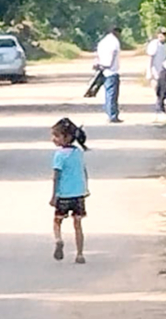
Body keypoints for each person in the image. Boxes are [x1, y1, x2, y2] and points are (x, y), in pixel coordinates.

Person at [49, 117, 90, 264]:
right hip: (78, 194)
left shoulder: (59, 155)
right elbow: (83, 171)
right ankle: (80, 254)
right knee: (78, 225)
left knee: (57, 221)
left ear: (66, 137)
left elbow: (56, 177)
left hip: (64, 195)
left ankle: (59, 239)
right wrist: (86, 188)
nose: (53, 139)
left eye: (56, 136)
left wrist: (54, 196)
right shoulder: (79, 152)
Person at [95, 25, 123, 123]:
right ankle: (112, 115)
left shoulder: (103, 42)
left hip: (102, 71)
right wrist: (108, 65)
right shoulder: (114, 42)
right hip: (112, 71)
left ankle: (109, 113)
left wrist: (99, 65)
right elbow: (112, 55)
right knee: (112, 94)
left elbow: (97, 54)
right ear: (116, 32)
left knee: (107, 93)